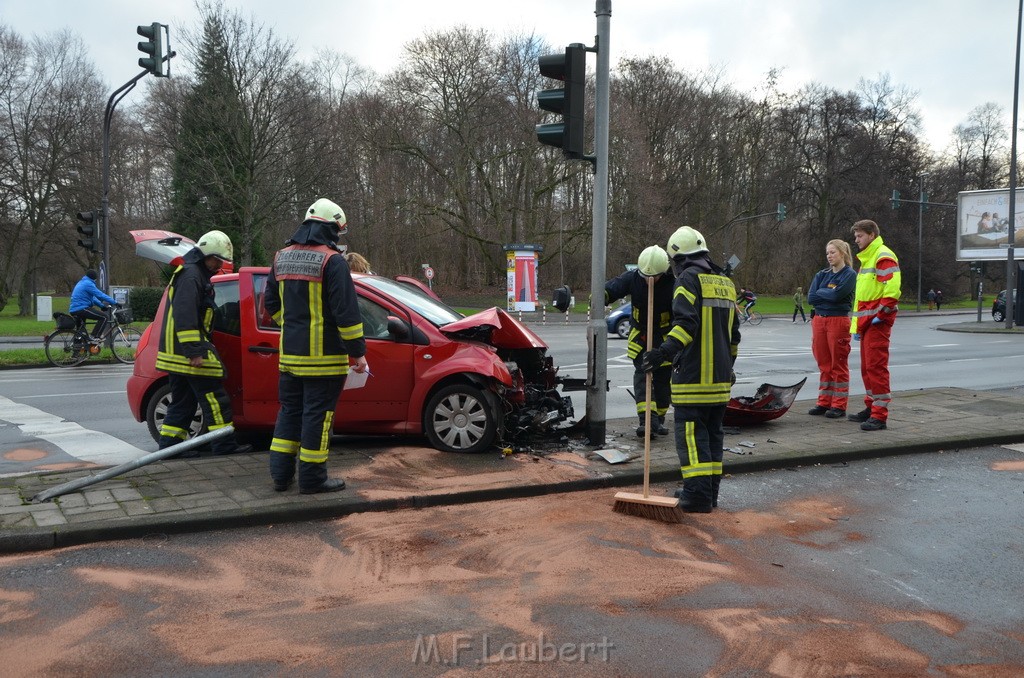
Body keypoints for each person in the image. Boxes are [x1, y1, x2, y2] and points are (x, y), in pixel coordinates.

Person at [264, 198, 368, 494]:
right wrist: (357, 352)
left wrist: (294, 325)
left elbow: (270, 303)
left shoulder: (280, 257)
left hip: (290, 358)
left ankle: (281, 477)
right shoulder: (332, 261)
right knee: (317, 418)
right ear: (333, 228)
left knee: (289, 413)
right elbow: (346, 314)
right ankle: (312, 479)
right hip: (323, 360)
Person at [641, 226, 740, 513]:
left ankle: (696, 496)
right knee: (713, 437)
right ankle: (709, 494)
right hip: (721, 380)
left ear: (678, 258)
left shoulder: (687, 279)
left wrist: (661, 354)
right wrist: (728, 368)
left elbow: (685, 326)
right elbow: (734, 336)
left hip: (693, 378)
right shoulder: (725, 282)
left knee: (692, 439)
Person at [155, 231, 253, 457]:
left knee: (183, 401)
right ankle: (224, 445)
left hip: (176, 354)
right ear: (205, 255)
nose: (219, 265)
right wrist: (194, 352)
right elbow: (186, 315)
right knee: (216, 399)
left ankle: (169, 448)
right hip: (187, 353)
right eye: (217, 260)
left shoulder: (193, 273)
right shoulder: (192, 276)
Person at [604, 246, 674, 437]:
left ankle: (658, 420)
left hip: (666, 339)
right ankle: (646, 420)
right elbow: (610, 290)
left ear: (664, 271)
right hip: (641, 336)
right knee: (643, 375)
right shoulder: (633, 278)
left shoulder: (675, 283)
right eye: (645, 276)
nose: (650, 280)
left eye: (655, 277)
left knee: (662, 382)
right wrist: (601, 296)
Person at [848, 219, 901, 431]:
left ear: (871, 234)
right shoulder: (868, 259)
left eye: (860, 236)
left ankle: (879, 415)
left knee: (876, 368)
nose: (857, 240)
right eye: (856, 237)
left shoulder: (882, 255)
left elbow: (892, 289)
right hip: (869, 322)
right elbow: (862, 298)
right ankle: (871, 408)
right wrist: (858, 327)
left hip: (877, 323)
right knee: (867, 368)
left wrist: (882, 314)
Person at [806, 239, 857, 418]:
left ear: (842, 253)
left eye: (833, 252)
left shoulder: (849, 275)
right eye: (827, 253)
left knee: (838, 364)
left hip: (838, 321)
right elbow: (811, 297)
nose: (829, 256)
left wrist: (823, 293)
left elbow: (837, 296)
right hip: (819, 320)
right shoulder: (821, 274)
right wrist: (826, 294)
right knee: (824, 364)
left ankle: (839, 405)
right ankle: (824, 402)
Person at [69, 269, 117, 341]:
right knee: (104, 317)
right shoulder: (88, 284)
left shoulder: (82, 282)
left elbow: (93, 298)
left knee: (81, 332)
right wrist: (114, 302)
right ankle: (94, 337)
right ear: (94, 278)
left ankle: (78, 349)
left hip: (74, 309)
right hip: (81, 309)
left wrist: (102, 306)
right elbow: (100, 295)